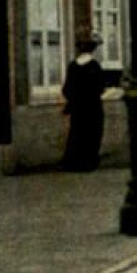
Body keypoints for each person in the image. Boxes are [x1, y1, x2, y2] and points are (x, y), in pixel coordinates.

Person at [61, 29, 106, 171]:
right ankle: (89, 162)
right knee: (93, 133)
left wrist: (73, 100)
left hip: (77, 108)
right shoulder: (95, 66)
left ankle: (74, 162)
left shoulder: (73, 66)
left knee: (76, 133)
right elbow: (101, 87)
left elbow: (66, 89)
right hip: (93, 107)